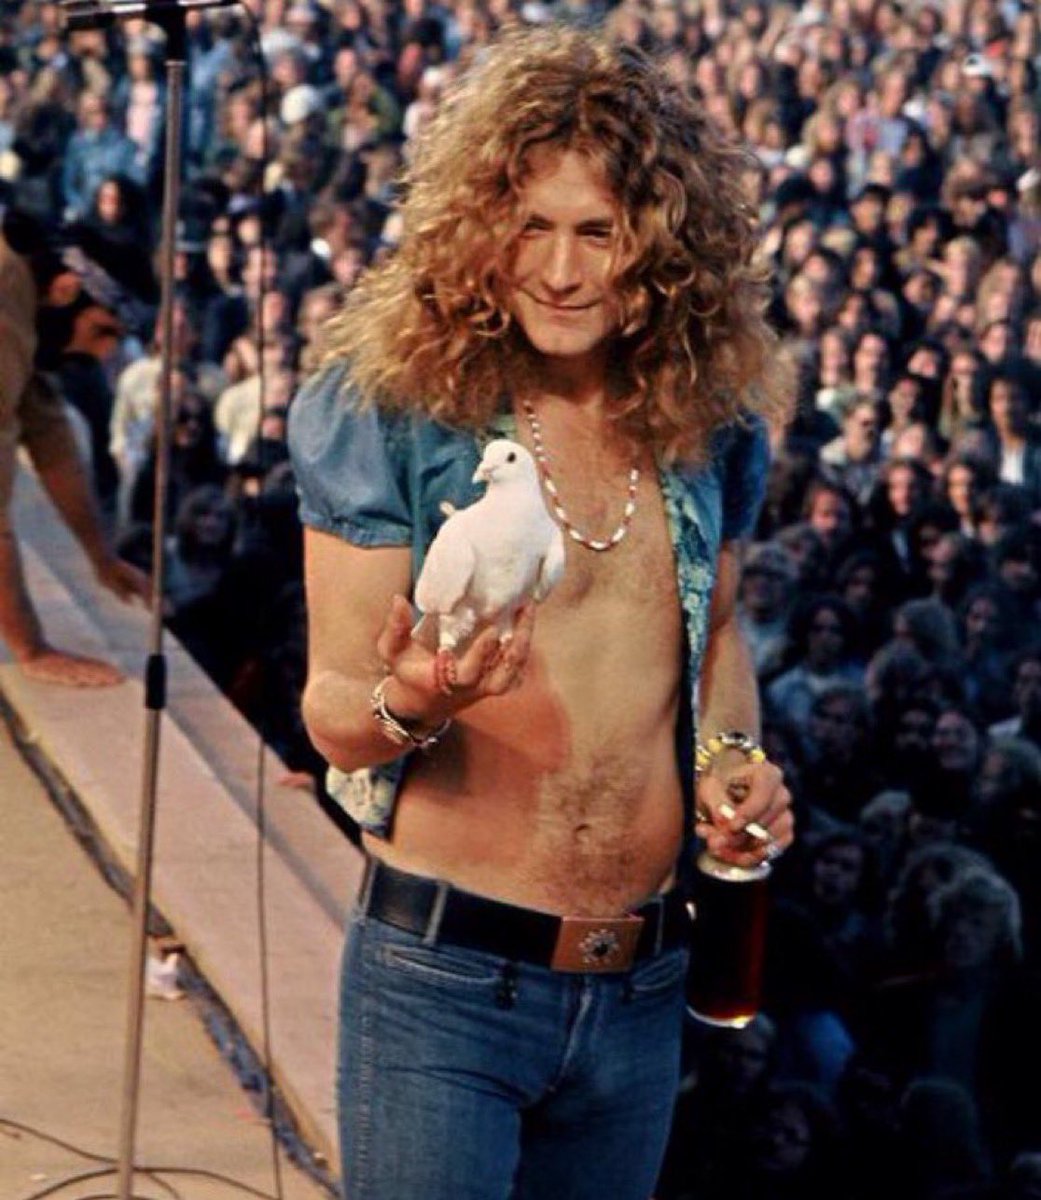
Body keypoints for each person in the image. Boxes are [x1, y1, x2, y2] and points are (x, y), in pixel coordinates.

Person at [287, 28, 794, 1200]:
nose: (560, 272)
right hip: (444, 987)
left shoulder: (709, 418)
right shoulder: (391, 410)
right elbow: (334, 718)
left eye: (597, 233)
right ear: (477, 236)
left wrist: (732, 761)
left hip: (644, 991)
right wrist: (415, 698)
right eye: (530, 227)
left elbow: (712, 638)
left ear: (660, 250)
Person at [0, 208, 151, 685]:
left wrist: (100, 557)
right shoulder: (7, 291)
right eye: (101, 332)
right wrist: (32, 648)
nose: (101, 354)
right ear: (66, 290)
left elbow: (51, 443)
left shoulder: (24, 304)